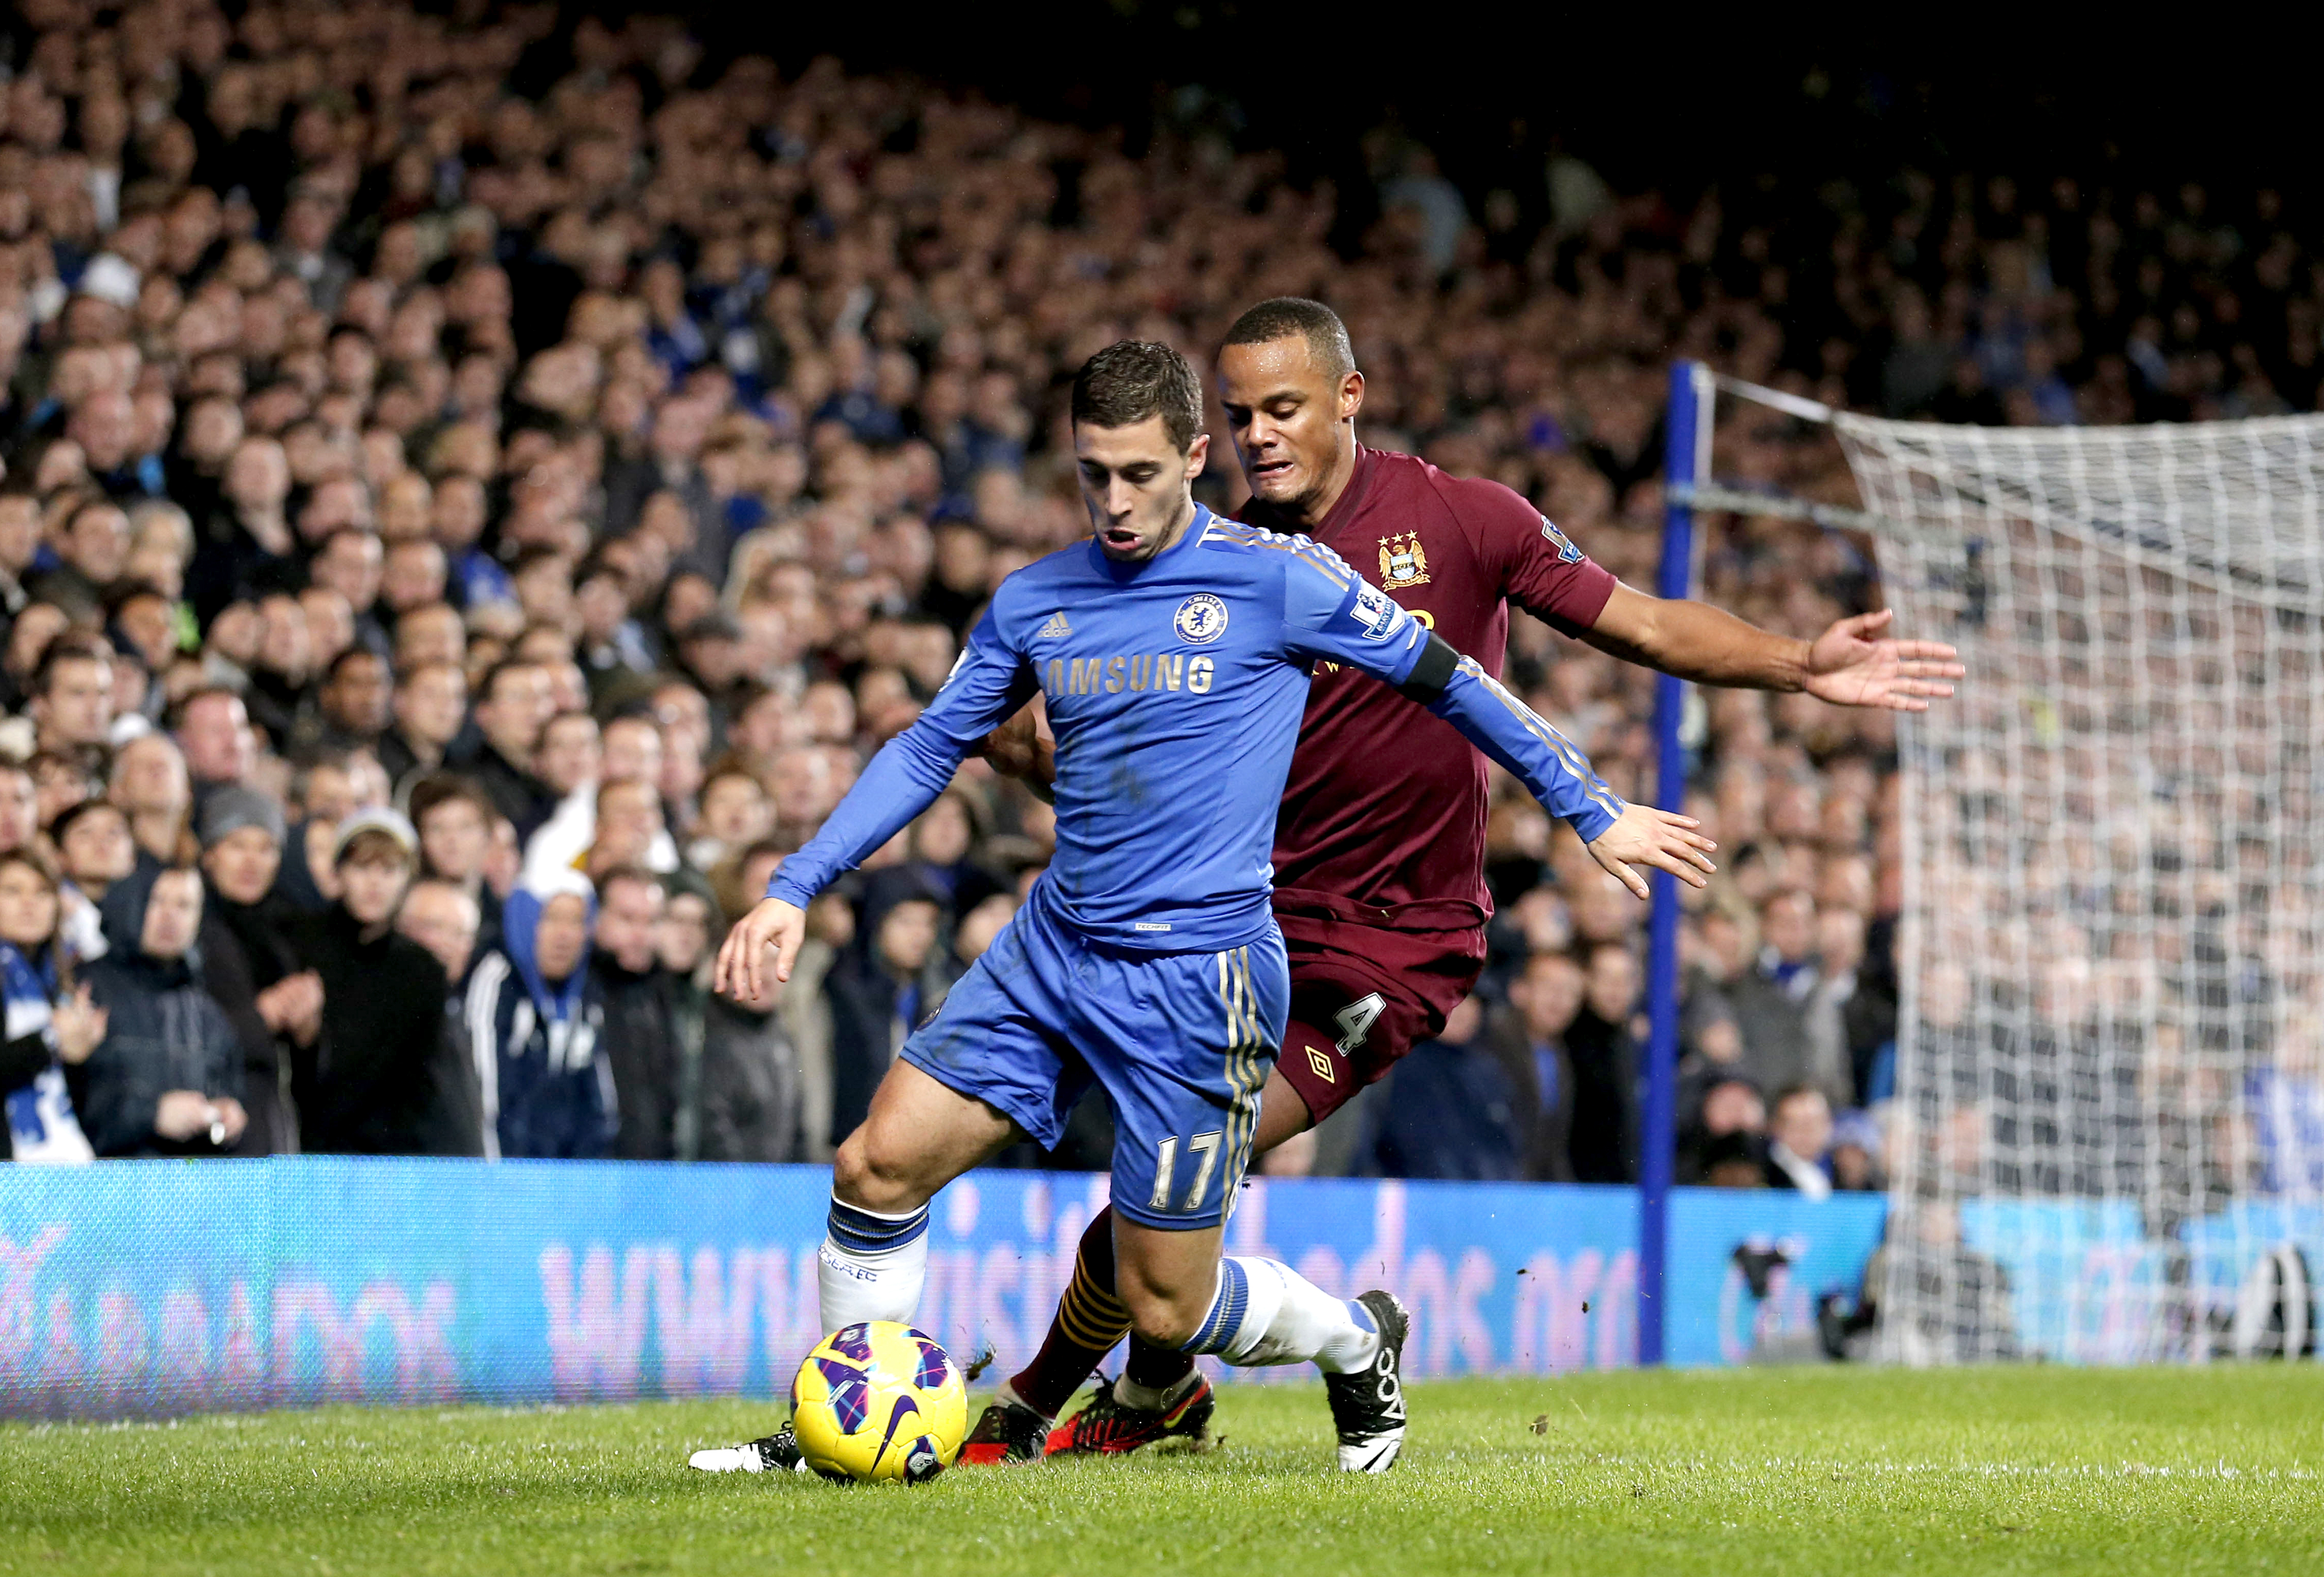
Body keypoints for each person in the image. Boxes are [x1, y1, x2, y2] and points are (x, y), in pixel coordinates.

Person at [692, 340, 1711, 1479]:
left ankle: (1351, 1339)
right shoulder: (1037, 599)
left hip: (1199, 982)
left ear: (1191, 455)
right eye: (1092, 476)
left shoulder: (1279, 579)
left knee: (1161, 1307)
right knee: (874, 1169)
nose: (1116, 502)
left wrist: (1588, 806)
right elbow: (931, 744)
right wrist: (792, 887)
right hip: (1052, 950)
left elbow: (1453, 682)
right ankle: (840, 1432)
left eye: (1139, 473)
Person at [295, 809, 450, 1154]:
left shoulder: (423, 971)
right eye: (363, 867)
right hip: (307, 1152)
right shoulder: (299, 946)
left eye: (390, 870)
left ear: (407, 879)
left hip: (387, 1163)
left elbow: (421, 1082)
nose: (375, 884)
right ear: (339, 873)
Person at [77, 864, 248, 1157]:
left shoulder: (207, 1011)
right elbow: (73, 1106)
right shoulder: (87, 990)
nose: (170, 916)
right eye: (157, 901)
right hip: (103, 1189)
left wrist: (229, 1114)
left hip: (190, 1191)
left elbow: (230, 1090)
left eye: (184, 905)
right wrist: (152, 1116)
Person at [195, 786, 318, 1155]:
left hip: (275, 1133)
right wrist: (262, 1017)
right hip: (212, 1141)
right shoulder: (186, 931)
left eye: (266, 848)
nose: (252, 862)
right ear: (209, 855)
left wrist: (308, 1030)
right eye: (237, 845)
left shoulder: (288, 936)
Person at [463, 870, 613, 1159]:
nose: (565, 935)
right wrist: (500, 1186)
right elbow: (483, 1103)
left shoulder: (586, 996)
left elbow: (599, 1112)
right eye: (551, 918)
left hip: (563, 1191)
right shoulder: (496, 981)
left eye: (577, 921)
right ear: (524, 919)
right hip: (503, 1187)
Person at [0, 848, 103, 1163]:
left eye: (43, 892)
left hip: (60, 1170)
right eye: (12, 891)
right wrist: (51, 1041)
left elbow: (81, 1107)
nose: (30, 903)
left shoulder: (61, 985)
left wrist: (79, 1055)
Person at [590, 863, 678, 1160]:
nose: (641, 935)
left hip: (653, 1180)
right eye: (627, 919)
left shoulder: (667, 997)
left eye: (651, 922)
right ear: (596, 918)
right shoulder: (574, 995)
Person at [396, 877, 487, 1157]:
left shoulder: (459, 1011)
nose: (450, 944)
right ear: (402, 930)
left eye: (462, 934)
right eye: (436, 927)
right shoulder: (392, 1011)